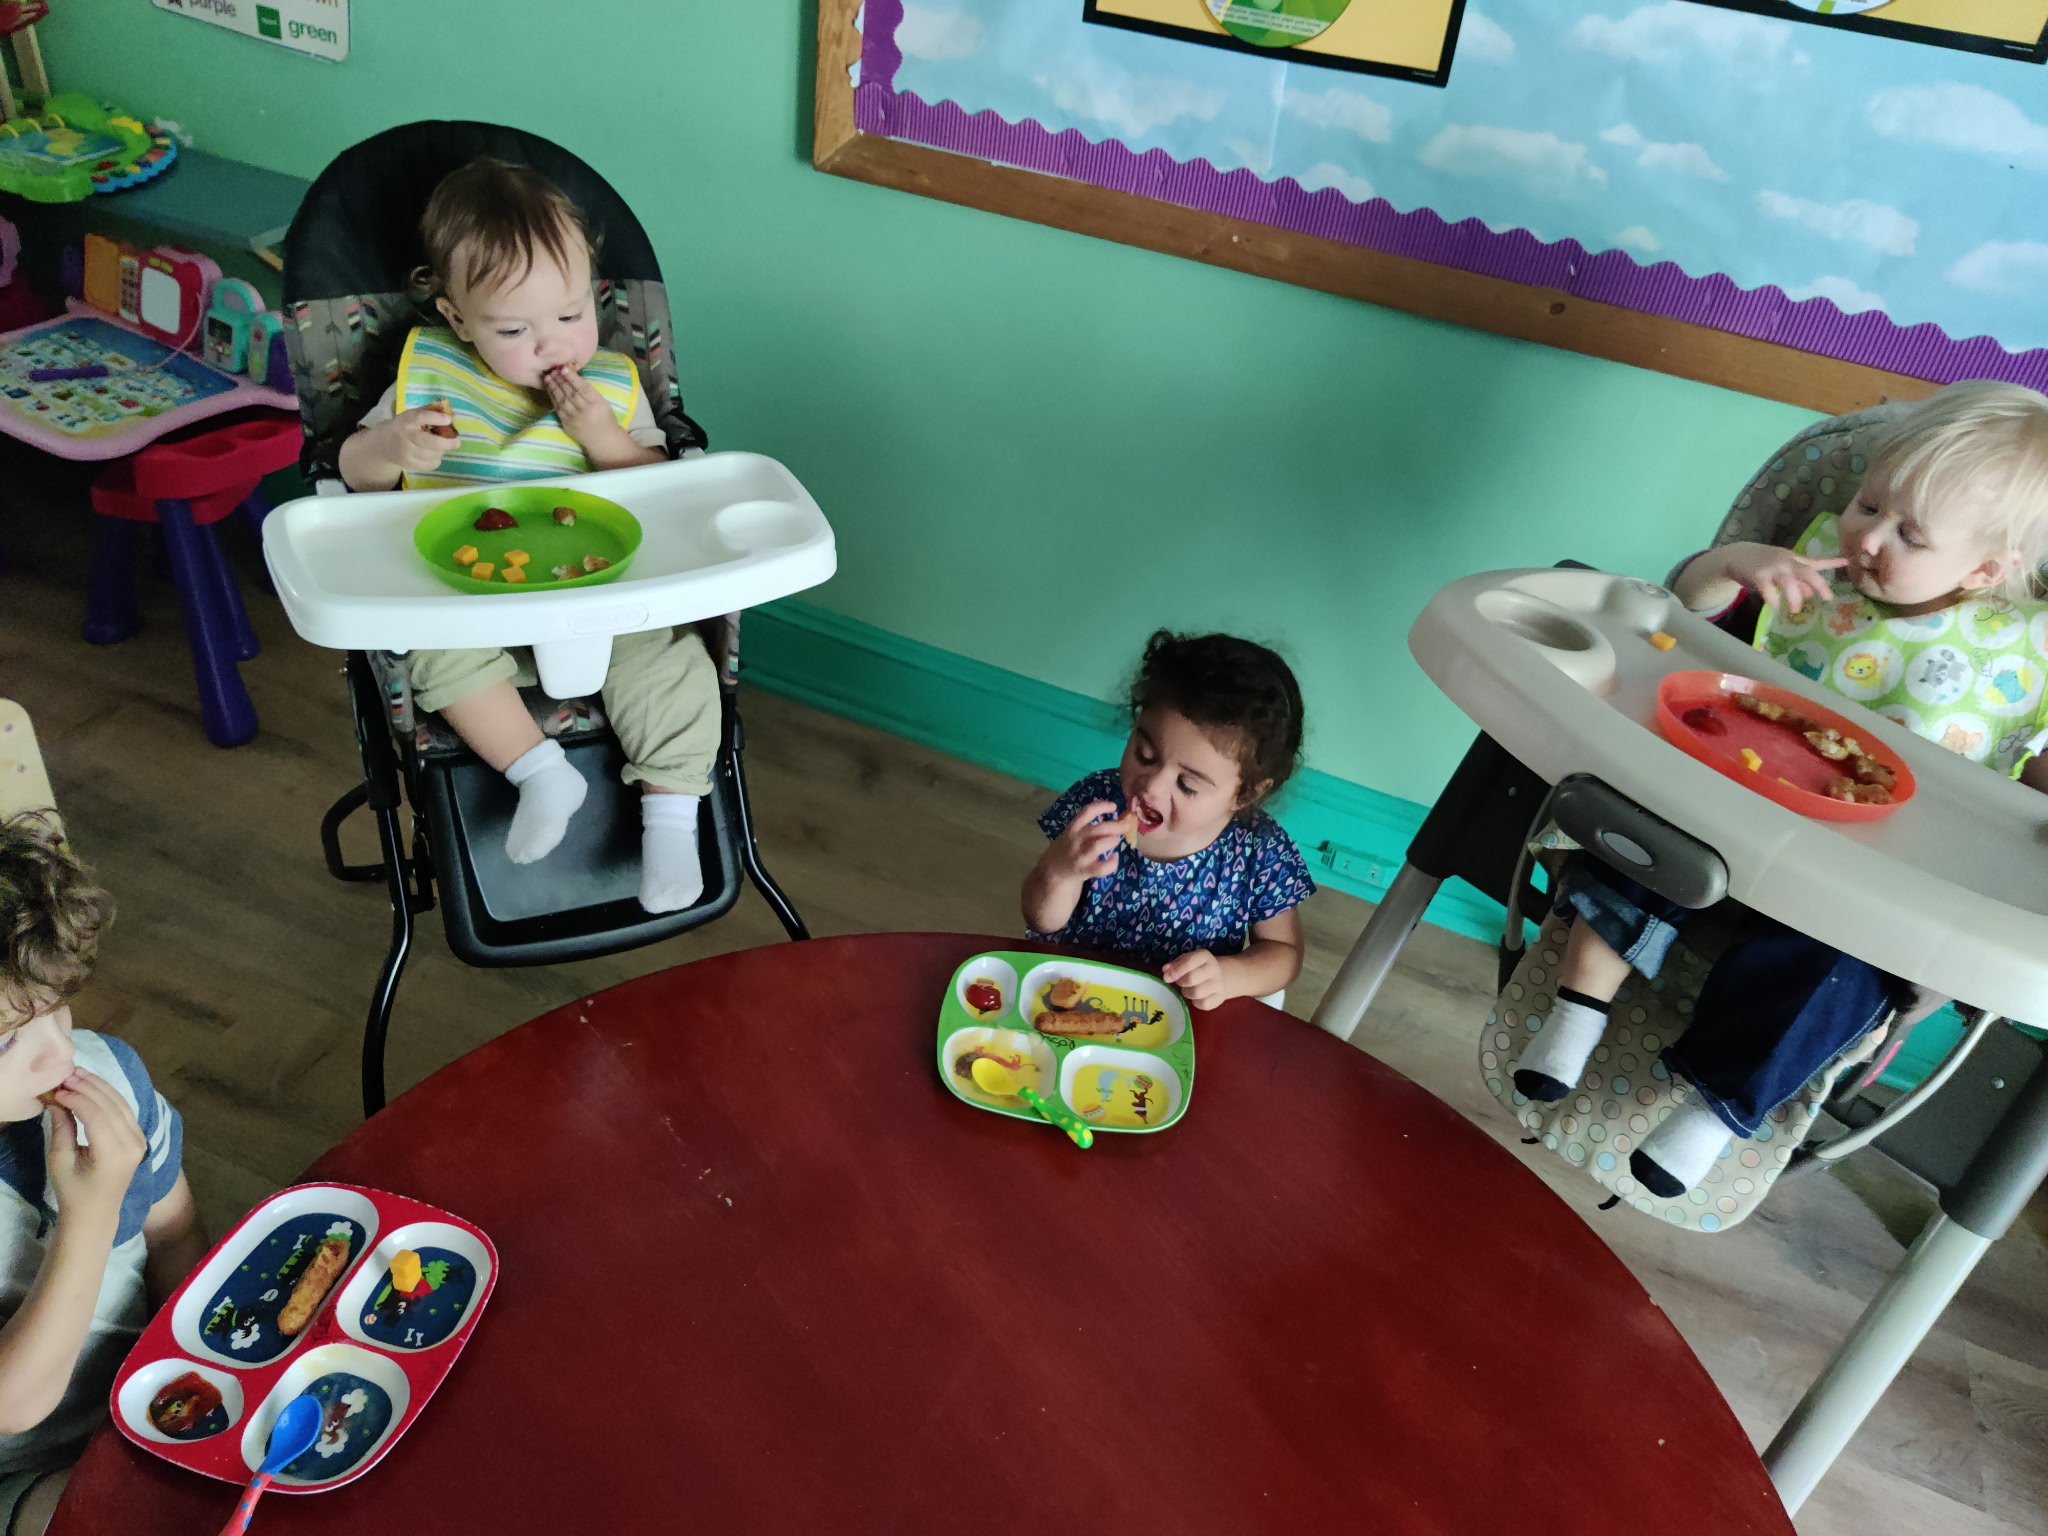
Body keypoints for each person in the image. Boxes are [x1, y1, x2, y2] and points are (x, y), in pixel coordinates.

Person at [1518, 381, 2048, 1195]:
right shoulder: (1803, 576)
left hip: (1868, 873)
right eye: (1869, 504)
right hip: (1730, 804)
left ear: (1984, 567)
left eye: (1910, 532)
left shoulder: (2021, 657)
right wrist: (1729, 566)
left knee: (1857, 964)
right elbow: (1674, 620)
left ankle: (1713, 1112)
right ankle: (1577, 1011)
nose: (1869, 536)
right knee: (1638, 832)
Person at [339, 157, 716, 914]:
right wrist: (394, 449)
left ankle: (673, 819)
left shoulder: (610, 385)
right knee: (435, 660)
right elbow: (350, 475)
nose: (553, 346)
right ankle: (540, 772)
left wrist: (602, 437)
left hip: (604, 597)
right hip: (469, 597)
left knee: (675, 667)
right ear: (455, 319)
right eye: (514, 329)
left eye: (571, 316)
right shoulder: (428, 379)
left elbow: (660, 488)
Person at [0, 814, 205, 1536]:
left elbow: (175, 1232)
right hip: (20, 1467)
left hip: (143, 1397)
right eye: (7, 1043)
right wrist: (87, 1220)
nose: (59, 1054)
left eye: (56, 1007)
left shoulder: (107, 1072)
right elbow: (12, 1405)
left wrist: (202, 1371)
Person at [1023, 630, 1315, 1009]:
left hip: (1178, 1020)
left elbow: (1284, 954)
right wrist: (1060, 873)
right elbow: (1040, 920)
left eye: (1187, 785)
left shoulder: (1258, 850)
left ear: (1245, 793)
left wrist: (1231, 975)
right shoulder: (1098, 804)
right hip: (1073, 993)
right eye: (1145, 754)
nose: (1152, 786)